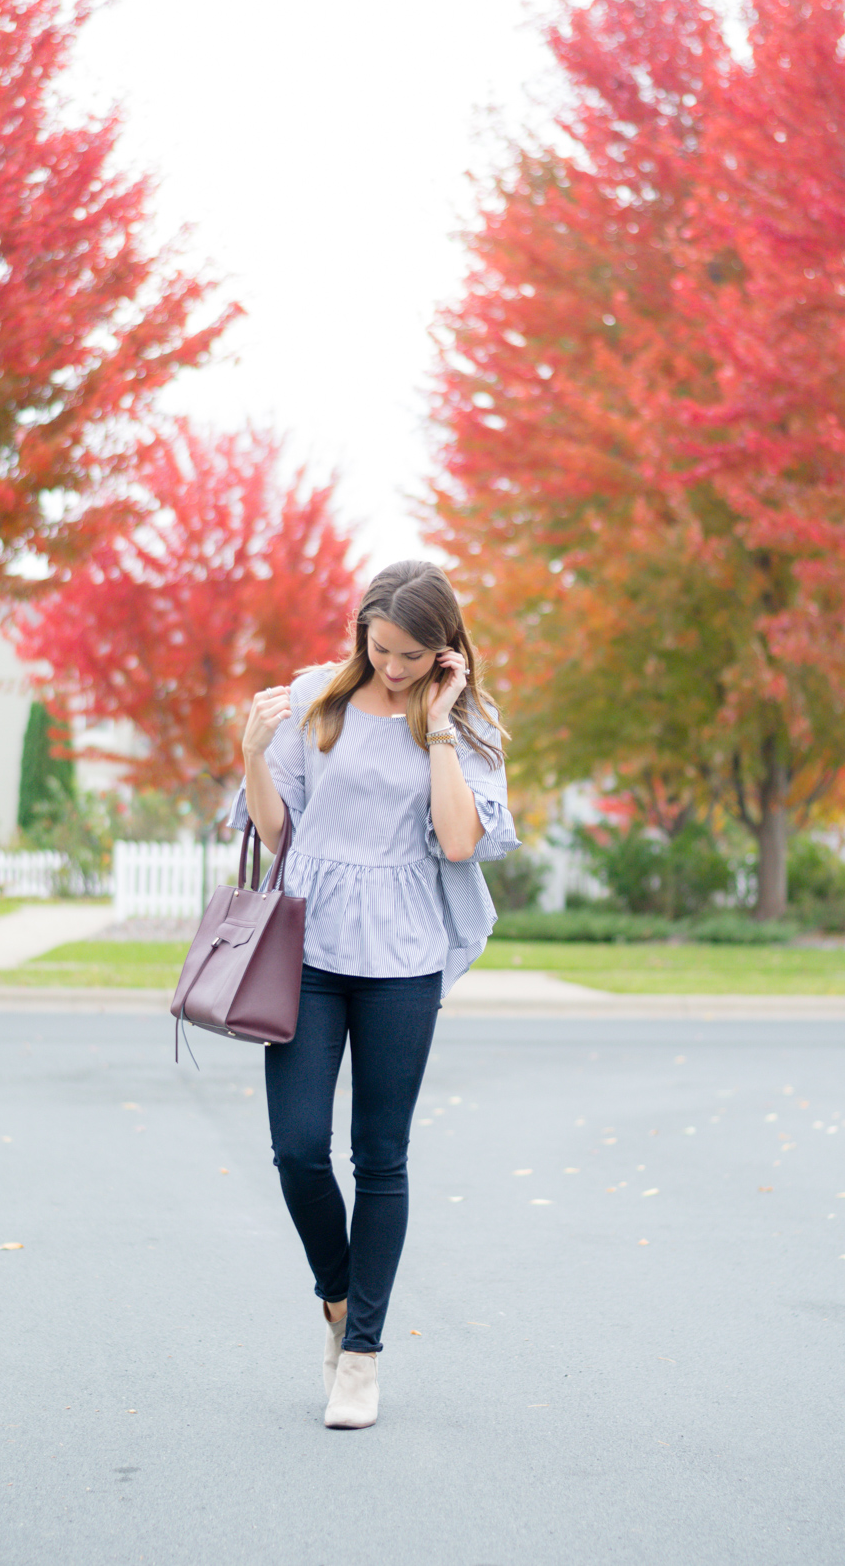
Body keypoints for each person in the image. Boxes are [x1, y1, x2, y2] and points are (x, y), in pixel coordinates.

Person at [231, 560, 519, 1429]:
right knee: (296, 1150)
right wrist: (251, 753)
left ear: (448, 651)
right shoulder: (318, 696)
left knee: (381, 1157)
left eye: (413, 654)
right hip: (309, 945)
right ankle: (337, 1297)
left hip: (402, 956)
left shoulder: (467, 723)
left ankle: (360, 1355)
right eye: (381, 647)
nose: (392, 667)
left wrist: (435, 730)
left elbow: (460, 842)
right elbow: (279, 831)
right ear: (361, 631)